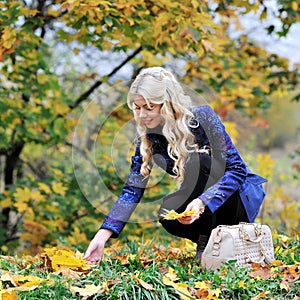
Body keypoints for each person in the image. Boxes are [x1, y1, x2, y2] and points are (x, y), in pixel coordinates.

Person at [83, 66, 267, 263]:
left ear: (167, 104)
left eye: (149, 107)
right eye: (138, 108)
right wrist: (102, 236)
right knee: (167, 210)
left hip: (236, 200)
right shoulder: (148, 138)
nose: (142, 115)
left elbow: (236, 170)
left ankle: (205, 249)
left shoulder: (202, 118)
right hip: (202, 211)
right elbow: (132, 189)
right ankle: (212, 243)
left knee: (199, 161)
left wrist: (202, 201)